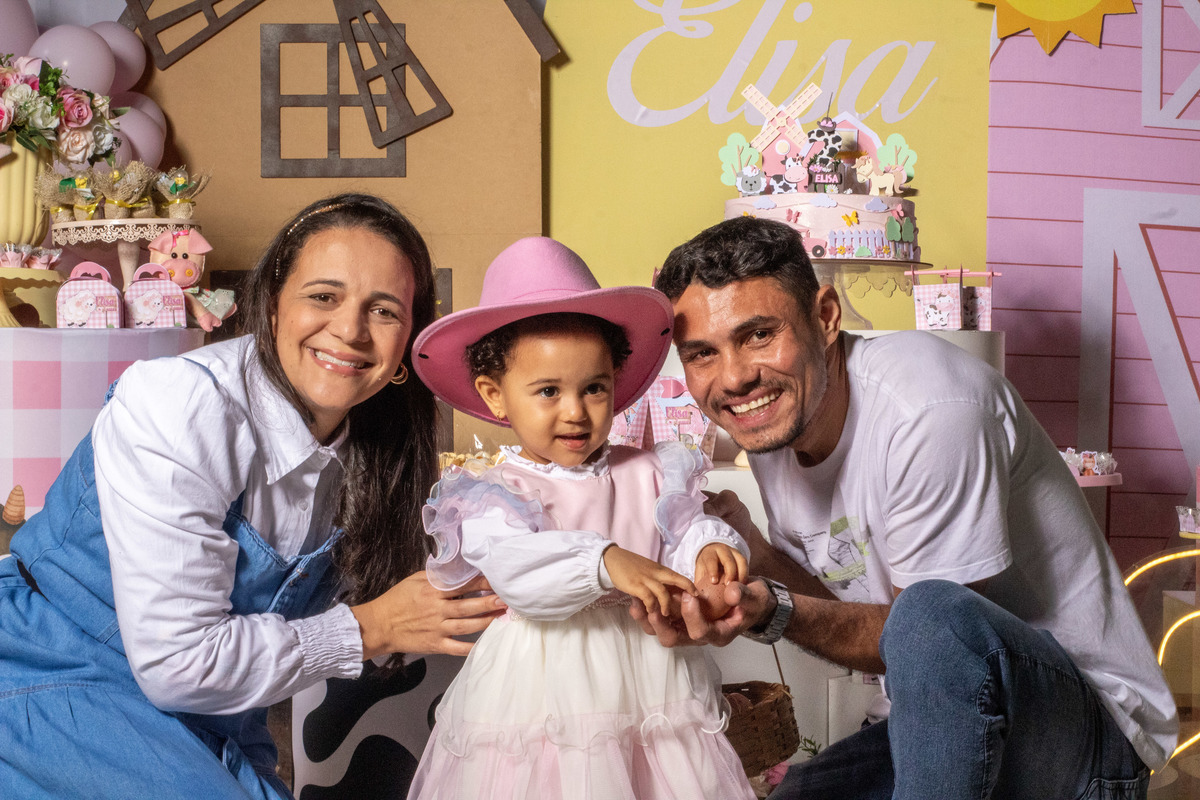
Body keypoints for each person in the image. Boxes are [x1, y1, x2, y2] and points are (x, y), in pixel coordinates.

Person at [639, 216, 1178, 799]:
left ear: (826, 317)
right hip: (947, 724)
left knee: (928, 613)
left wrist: (774, 611)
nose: (735, 378)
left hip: (1090, 734)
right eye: (702, 354)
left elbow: (926, 637)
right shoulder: (775, 420)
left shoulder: (929, 409)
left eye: (759, 335)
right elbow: (853, 616)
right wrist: (753, 554)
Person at [0, 194, 506, 799]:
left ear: (406, 343)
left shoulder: (374, 454)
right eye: (324, 297)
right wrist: (374, 626)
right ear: (271, 305)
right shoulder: (183, 405)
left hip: (217, 718)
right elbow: (178, 664)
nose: (350, 330)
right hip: (55, 677)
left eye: (383, 310)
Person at [405, 236, 756, 799]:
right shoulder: (495, 493)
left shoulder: (649, 471)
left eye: (594, 388)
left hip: (651, 681)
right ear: (495, 395)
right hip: (542, 689)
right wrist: (604, 560)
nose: (575, 411)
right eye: (548, 391)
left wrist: (710, 549)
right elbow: (516, 568)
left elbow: (684, 527)